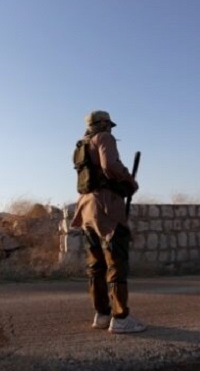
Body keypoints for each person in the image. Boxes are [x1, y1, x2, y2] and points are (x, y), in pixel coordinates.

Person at [71, 110, 145, 334]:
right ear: (103, 124)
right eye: (109, 125)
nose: (111, 129)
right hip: (105, 206)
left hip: (85, 208)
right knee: (116, 262)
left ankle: (102, 314)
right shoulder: (104, 138)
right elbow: (110, 166)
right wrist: (129, 181)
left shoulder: (81, 145)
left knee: (96, 265)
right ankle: (121, 317)